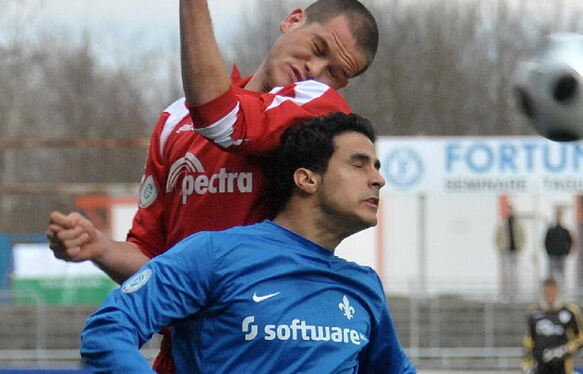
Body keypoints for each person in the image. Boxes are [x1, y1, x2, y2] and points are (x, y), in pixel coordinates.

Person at [47, 0, 378, 371]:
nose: (314, 70)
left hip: (256, 350)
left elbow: (219, 116)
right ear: (293, 19)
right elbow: (156, 264)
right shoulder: (175, 121)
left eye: (333, 71)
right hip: (184, 354)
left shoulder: (318, 110)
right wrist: (101, 248)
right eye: (318, 49)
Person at [80, 112, 417, 374]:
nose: (378, 179)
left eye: (376, 167)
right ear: (307, 178)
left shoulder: (363, 284)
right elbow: (108, 329)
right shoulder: (214, 255)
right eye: (359, 164)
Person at [522, 278, 583, 374]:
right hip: (540, 367)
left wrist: (564, 350)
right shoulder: (534, 312)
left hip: (562, 367)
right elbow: (528, 341)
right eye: (546, 291)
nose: (550, 294)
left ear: (558, 291)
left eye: (552, 290)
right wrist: (527, 363)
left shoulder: (570, 311)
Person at [495, 203, 526, 301]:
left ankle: (515, 294)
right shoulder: (502, 224)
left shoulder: (518, 224)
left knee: (515, 274)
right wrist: (501, 248)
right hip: (506, 251)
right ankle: (505, 295)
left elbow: (523, 236)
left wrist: (520, 246)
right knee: (506, 274)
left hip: (515, 251)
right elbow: (497, 237)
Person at [544, 209, 573, 288]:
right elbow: (546, 242)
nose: (558, 217)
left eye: (559, 215)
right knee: (551, 276)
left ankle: (563, 292)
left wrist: (566, 252)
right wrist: (549, 252)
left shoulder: (565, 231)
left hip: (561, 256)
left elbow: (570, 241)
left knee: (562, 276)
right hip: (552, 256)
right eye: (557, 215)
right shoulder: (551, 230)